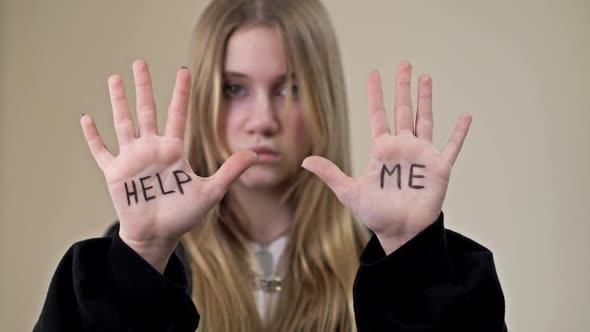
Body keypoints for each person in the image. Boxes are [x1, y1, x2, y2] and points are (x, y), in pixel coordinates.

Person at [34, 0, 506, 331]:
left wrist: (412, 259)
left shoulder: (383, 254)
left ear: (324, 98)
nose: (263, 120)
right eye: (235, 88)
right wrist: (140, 263)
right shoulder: (141, 260)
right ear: (205, 100)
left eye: (290, 88)